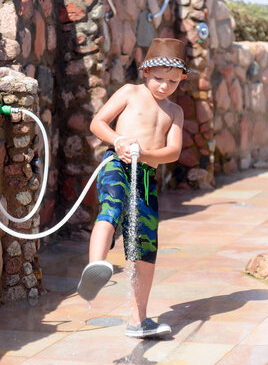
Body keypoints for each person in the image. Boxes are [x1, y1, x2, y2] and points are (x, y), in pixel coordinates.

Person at [76, 38, 187, 338]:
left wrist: (147, 155)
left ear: (181, 79)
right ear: (146, 71)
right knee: (111, 209)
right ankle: (96, 267)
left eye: (172, 81)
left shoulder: (175, 112)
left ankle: (138, 320)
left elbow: (174, 151)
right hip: (117, 162)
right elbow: (98, 123)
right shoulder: (131, 92)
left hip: (147, 177)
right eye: (159, 79)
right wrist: (119, 141)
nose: (164, 86)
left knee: (145, 245)